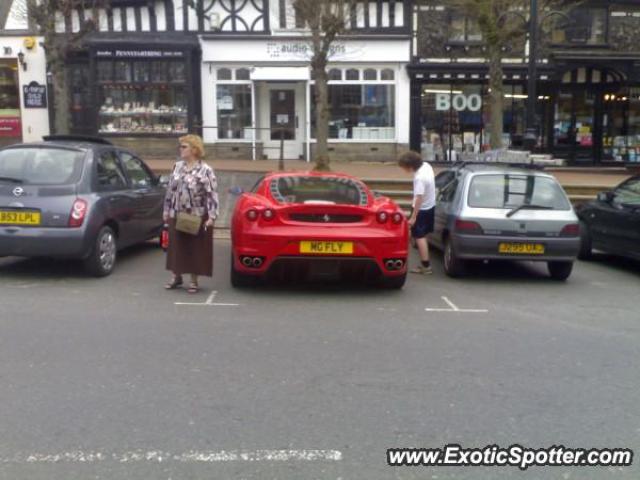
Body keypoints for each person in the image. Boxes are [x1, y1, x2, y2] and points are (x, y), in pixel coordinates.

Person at [163, 134, 219, 293]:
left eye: (184, 147)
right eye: (180, 146)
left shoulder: (205, 170)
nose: (180, 149)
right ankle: (176, 277)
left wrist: (212, 216)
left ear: (194, 150)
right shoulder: (177, 166)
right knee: (176, 246)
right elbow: (170, 190)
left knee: (194, 247)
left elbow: (212, 194)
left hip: (195, 214)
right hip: (176, 213)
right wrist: (166, 210)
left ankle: (194, 281)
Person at [398, 151, 436, 275]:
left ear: (410, 166)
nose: (404, 170)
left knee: (419, 237)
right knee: (422, 234)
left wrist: (414, 216)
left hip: (421, 208)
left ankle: (426, 266)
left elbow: (419, 197)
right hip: (430, 205)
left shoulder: (420, 178)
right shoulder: (427, 166)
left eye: (403, 167)